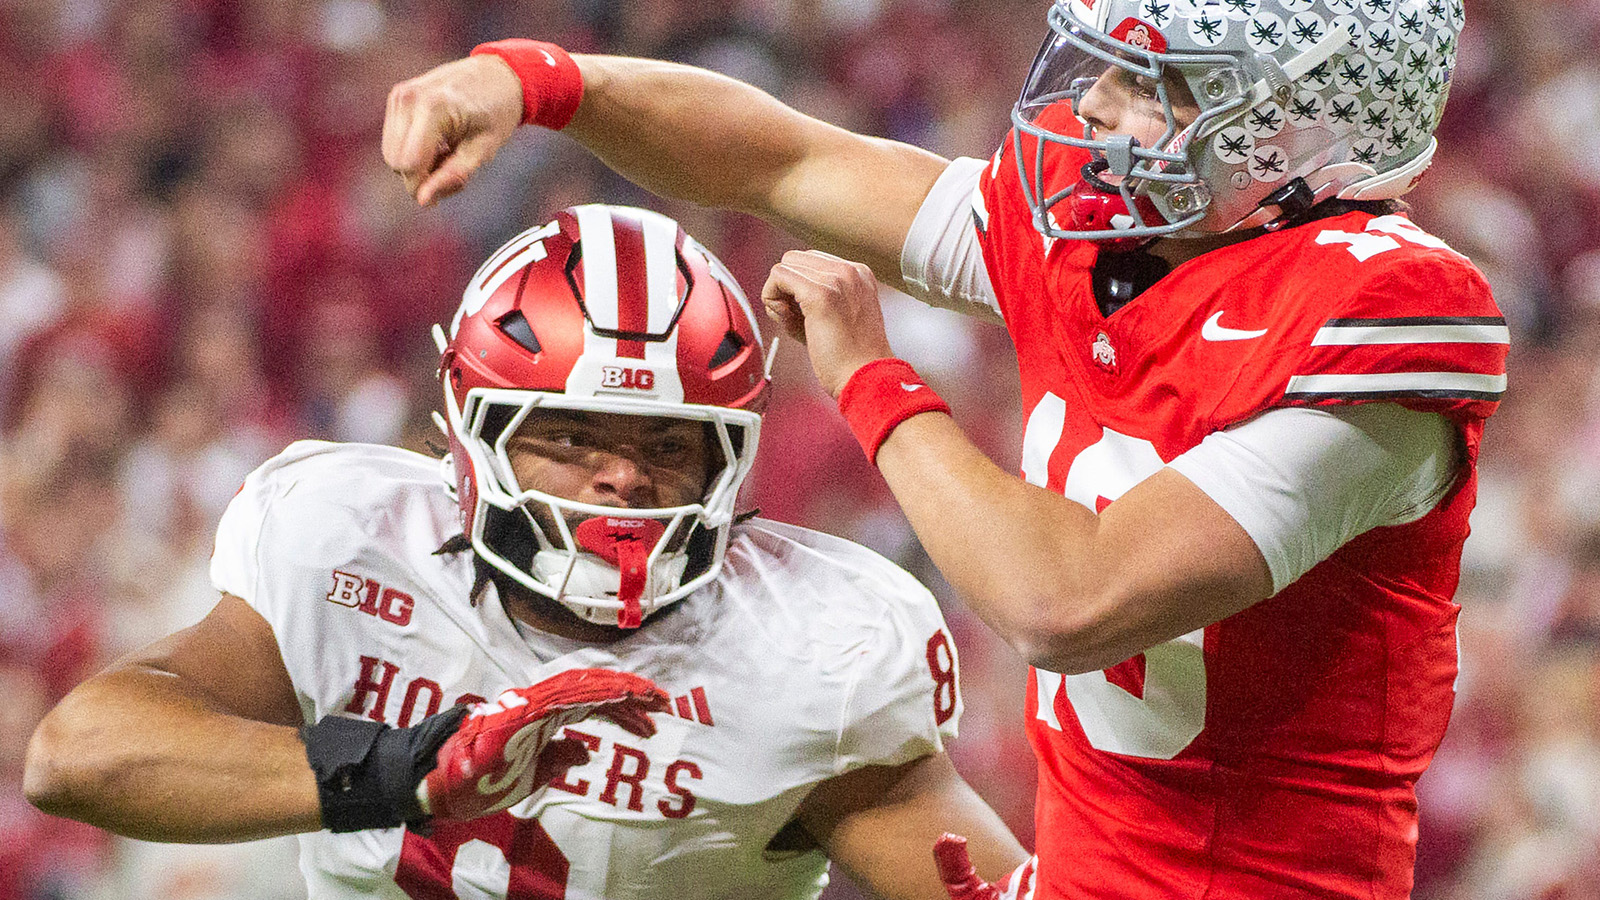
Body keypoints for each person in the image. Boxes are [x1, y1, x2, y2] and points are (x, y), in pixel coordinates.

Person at [379, 1, 1508, 897]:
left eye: (1156, 85)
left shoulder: (1385, 313)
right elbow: (781, 163)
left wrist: (875, 380)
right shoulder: (1118, 235)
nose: (1100, 108)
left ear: (1300, 131)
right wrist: (536, 81)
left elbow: (1069, 602)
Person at [24, 204, 1026, 899]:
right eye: (573, 437)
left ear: (732, 452)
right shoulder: (356, 544)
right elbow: (80, 756)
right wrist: (400, 770)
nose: (620, 479)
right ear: (472, 433)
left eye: (666, 445)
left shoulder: (818, 653)